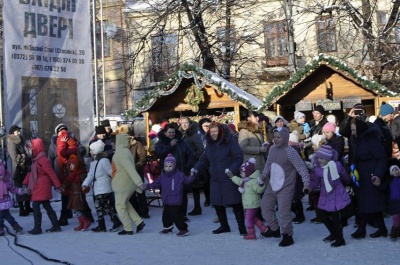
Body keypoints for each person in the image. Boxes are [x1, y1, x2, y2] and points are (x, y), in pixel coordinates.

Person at [191, 122, 247, 236]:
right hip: (215, 177)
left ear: (221, 131)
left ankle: (242, 227)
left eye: (215, 131)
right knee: (217, 202)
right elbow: (204, 159)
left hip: (229, 177)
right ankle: (224, 225)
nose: (213, 134)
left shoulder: (229, 141)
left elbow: (238, 157)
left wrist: (232, 169)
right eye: (211, 132)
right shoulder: (210, 143)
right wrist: (196, 168)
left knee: (235, 202)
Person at [259, 127, 310, 247]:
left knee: (283, 213)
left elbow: (302, 168)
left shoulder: (290, 151)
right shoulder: (272, 149)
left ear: (285, 138)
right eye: (274, 137)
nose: (276, 140)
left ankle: (287, 235)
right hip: (272, 185)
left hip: (285, 187)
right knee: (265, 206)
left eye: (279, 137)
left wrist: (306, 183)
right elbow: (268, 165)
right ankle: (274, 229)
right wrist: (263, 176)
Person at [350, 118, 388, 239]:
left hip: (372, 175)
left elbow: (382, 158)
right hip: (363, 174)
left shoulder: (371, 140)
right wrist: (353, 165)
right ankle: (382, 228)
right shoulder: (359, 140)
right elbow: (357, 157)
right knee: (371, 203)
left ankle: (361, 230)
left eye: (353, 130)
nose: (352, 132)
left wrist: (378, 174)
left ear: (360, 129)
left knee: (366, 203)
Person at [141, 154, 196, 237]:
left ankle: (183, 229)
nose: (168, 168)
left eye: (170, 166)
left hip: (176, 200)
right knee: (166, 215)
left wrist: (193, 176)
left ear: (174, 166)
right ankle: (168, 227)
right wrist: (147, 186)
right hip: (166, 199)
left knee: (175, 215)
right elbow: (155, 183)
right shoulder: (162, 176)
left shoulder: (179, 175)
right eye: (166, 166)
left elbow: (187, 180)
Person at [310, 145, 351, 247]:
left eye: (322, 158)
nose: (319, 160)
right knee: (323, 215)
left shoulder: (336, 165)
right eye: (318, 157)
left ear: (328, 158)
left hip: (337, 194)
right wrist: (309, 187)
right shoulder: (318, 169)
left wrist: (349, 181)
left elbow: (344, 175)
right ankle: (334, 233)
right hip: (326, 195)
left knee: (336, 218)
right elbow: (315, 181)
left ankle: (340, 239)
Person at [23, 138, 63, 235]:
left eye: (31, 148)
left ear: (36, 148)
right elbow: (31, 173)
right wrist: (25, 183)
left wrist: (58, 185)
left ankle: (38, 228)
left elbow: (51, 173)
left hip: (42, 186)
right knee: (47, 206)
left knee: (36, 206)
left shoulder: (43, 160)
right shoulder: (35, 160)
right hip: (39, 186)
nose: (30, 151)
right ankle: (56, 225)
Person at [154, 123, 195, 220]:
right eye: (169, 132)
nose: (171, 134)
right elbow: (160, 153)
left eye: (173, 132)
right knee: (169, 193)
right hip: (167, 173)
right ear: (165, 133)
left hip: (181, 171)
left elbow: (190, 154)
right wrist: (170, 146)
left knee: (182, 193)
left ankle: (183, 215)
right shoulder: (160, 143)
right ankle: (170, 214)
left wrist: (187, 165)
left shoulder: (181, 142)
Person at [82, 140, 122, 232]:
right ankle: (103, 224)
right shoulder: (94, 162)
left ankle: (114, 222)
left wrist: (118, 181)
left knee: (103, 206)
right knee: (101, 207)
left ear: (96, 151)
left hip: (104, 188)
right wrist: (85, 183)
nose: (90, 152)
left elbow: (111, 172)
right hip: (97, 189)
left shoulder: (104, 161)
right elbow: (91, 175)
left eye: (91, 150)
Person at [111, 124, 145, 235]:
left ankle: (128, 228)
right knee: (125, 203)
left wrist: (139, 182)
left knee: (120, 206)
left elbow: (130, 169)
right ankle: (139, 222)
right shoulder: (126, 151)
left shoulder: (121, 153)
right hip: (126, 183)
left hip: (122, 183)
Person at [227, 158, 267, 240]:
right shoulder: (244, 181)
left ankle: (251, 234)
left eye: (242, 173)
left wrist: (261, 185)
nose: (241, 174)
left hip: (253, 203)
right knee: (252, 218)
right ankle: (263, 228)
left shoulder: (253, 181)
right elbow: (238, 181)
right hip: (248, 204)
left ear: (248, 172)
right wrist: (232, 177)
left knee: (248, 219)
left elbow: (259, 190)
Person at [179, 117, 204, 216]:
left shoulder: (194, 134)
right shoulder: (181, 135)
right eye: (182, 123)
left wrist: (193, 158)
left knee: (195, 186)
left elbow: (200, 149)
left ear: (190, 123)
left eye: (186, 123)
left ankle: (197, 207)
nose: (184, 125)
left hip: (193, 164)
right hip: (184, 163)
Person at [6, 125, 33, 216]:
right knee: (19, 188)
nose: (18, 132)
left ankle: (28, 206)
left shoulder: (21, 140)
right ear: (13, 132)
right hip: (18, 169)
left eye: (18, 131)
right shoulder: (11, 142)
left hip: (25, 167)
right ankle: (22, 209)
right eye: (17, 131)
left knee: (26, 186)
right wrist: (24, 156)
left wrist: (28, 154)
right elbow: (14, 157)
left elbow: (25, 151)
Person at [65, 154, 92, 231]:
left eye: (73, 164)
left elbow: (85, 184)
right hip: (73, 194)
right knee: (75, 210)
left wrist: (84, 189)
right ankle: (81, 224)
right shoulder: (72, 174)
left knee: (77, 210)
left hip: (78, 195)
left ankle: (85, 221)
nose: (71, 166)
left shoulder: (80, 174)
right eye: (70, 165)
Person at [127, 128, 149, 219]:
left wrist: (139, 164)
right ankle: (135, 211)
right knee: (130, 193)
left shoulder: (138, 144)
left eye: (131, 135)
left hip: (136, 171)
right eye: (128, 135)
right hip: (127, 172)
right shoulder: (122, 145)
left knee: (140, 192)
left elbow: (142, 156)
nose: (130, 137)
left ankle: (144, 212)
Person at [0, 161, 25, 236]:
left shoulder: (6, 182)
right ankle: (2, 228)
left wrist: (19, 191)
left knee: (6, 216)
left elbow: (13, 189)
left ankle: (16, 227)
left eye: (0, 175)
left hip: (4, 203)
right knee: (2, 216)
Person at [387, 159, 400, 241]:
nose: (396, 172)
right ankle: (394, 231)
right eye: (394, 170)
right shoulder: (390, 180)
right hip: (394, 201)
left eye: (397, 170)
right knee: (396, 217)